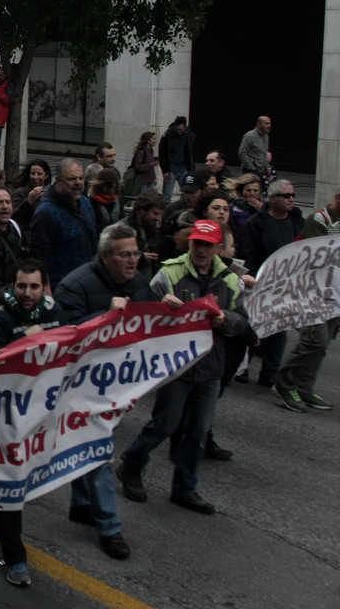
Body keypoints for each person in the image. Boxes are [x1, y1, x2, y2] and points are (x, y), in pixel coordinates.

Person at [117, 220, 247, 516]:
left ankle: (184, 488)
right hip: (175, 366)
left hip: (210, 367)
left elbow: (243, 321)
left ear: (217, 248)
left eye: (208, 245)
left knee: (199, 431)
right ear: (189, 244)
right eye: (197, 243)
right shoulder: (170, 273)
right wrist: (163, 304)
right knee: (165, 423)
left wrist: (225, 319)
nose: (201, 250)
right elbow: (143, 309)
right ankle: (132, 464)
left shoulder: (229, 280)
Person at [52, 223, 155, 561]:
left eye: (136, 253)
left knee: (89, 449)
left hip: (116, 387)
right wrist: (105, 316)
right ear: (105, 256)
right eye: (125, 254)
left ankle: (82, 504)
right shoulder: (75, 285)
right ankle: (110, 526)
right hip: (79, 389)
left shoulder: (140, 284)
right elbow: (65, 335)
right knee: (98, 453)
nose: (133, 261)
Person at [0, 260, 68, 586]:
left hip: (42, 414)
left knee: (26, 480)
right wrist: (25, 343)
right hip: (7, 417)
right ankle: (15, 558)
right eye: (21, 287)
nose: (27, 294)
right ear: (12, 287)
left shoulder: (56, 316)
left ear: (45, 287)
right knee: (12, 482)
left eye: (33, 287)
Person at [272, 188, 340, 412]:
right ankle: (284, 383)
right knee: (315, 340)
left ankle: (304, 387)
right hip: (312, 291)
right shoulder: (319, 220)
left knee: (323, 345)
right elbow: (315, 256)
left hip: (334, 292)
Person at [239, 179, 303, 386]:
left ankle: (270, 374)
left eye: (292, 195)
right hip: (260, 283)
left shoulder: (297, 221)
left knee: (279, 329)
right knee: (252, 326)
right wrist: (253, 279)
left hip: (286, 285)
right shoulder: (256, 223)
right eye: (286, 196)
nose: (291, 199)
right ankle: (241, 368)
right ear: (273, 199)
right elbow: (248, 254)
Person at [29, 158, 96, 287]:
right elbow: (38, 259)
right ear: (58, 180)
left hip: (86, 283)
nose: (78, 183)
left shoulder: (86, 203)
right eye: (72, 179)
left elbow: (93, 241)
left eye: (81, 178)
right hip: (60, 286)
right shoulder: (45, 212)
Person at [122, 189, 165, 281]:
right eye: (155, 213)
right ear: (142, 209)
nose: (158, 218)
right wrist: (141, 256)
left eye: (160, 214)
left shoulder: (153, 228)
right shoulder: (122, 229)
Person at [158, 116, 195, 202]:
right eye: (177, 129)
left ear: (185, 127)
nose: (179, 131)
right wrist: (165, 170)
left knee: (186, 193)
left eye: (181, 129)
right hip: (171, 169)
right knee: (167, 195)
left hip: (183, 168)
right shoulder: (167, 135)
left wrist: (190, 168)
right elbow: (162, 153)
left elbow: (189, 152)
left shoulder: (188, 134)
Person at [128, 132, 158, 198]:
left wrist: (154, 178)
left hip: (150, 179)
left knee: (152, 198)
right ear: (148, 140)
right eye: (153, 139)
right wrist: (150, 165)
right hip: (142, 181)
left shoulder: (151, 150)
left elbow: (151, 167)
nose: (155, 141)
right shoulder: (141, 151)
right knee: (142, 198)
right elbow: (137, 166)